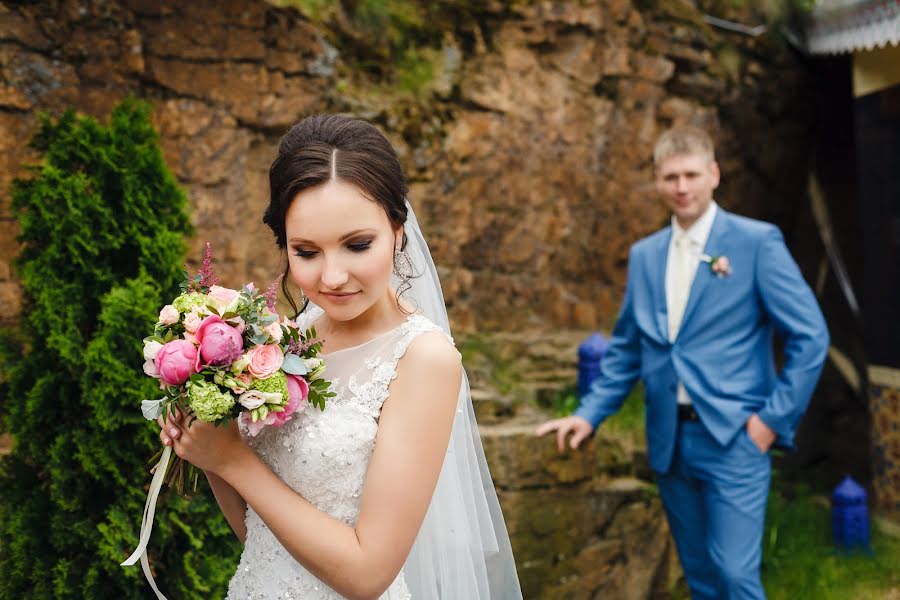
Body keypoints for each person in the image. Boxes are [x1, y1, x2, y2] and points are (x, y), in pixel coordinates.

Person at [158, 114, 522, 599]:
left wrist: (234, 460)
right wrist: (208, 446)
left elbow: (368, 575)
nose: (332, 277)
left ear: (397, 229)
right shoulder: (296, 336)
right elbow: (263, 536)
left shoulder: (424, 360)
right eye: (306, 252)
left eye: (357, 245)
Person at [536, 126, 829, 599]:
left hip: (736, 436)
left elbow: (811, 337)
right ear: (657, 181)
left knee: (735, 575)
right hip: (669, 440)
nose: (682, 186)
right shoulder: (645, 255)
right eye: (671, 176)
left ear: (714, 174)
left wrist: (770, 422)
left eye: (692, 174)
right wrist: (588, 414)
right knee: (701, 578)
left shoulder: (757, 243)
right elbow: (627, 348)